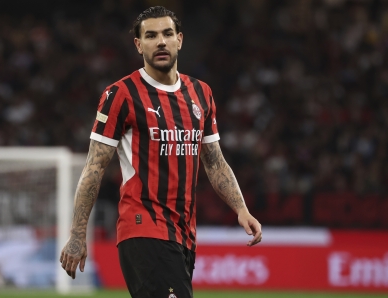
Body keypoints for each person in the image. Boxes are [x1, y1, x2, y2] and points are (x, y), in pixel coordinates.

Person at [60, 6, 262, 298]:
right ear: (138, 44)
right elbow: (94, 167)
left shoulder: (201, 93)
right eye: (151, 35)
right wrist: (78, 233)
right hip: (142, 228)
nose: (161, 42)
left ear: (179, 39)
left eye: (167, 34)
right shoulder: (121, 95)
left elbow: (215, 161)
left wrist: (241, 209)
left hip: (184, 234)